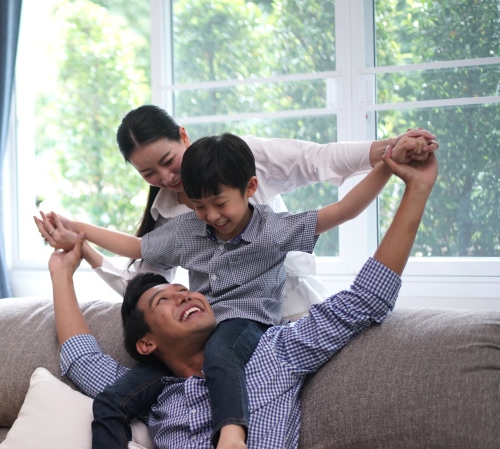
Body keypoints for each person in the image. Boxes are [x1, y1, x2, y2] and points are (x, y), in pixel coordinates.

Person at [0, 144, 438, 449]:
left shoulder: (275, 353)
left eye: (184, 287)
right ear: (147, 344)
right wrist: (63, 271)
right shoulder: (149, 387)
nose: (185, 292)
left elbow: (367, 297)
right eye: (164, 298)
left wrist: (416, 188)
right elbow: (80, 356)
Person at [37, 132, 426, 449]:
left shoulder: (274, 230)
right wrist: (79, 232)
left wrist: (387, 165)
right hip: (200, 333)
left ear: (250, 188)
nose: (211, 215)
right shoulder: (187, 230)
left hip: (244, 323)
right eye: (199, 205)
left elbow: (344, 209)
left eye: (220, 204)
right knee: (113, 398)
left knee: (221, 353)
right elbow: (138, 247)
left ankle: (231, 444)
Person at [39, 104, 437, 320]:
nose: (166, 176)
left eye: (168, 160)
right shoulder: (177, 227)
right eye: (149, 173)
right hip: (220, 324)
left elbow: (320, 164)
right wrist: (82, 242)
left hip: (286, 308)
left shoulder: (238, 161)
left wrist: (389, 152)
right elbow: (144, 288)